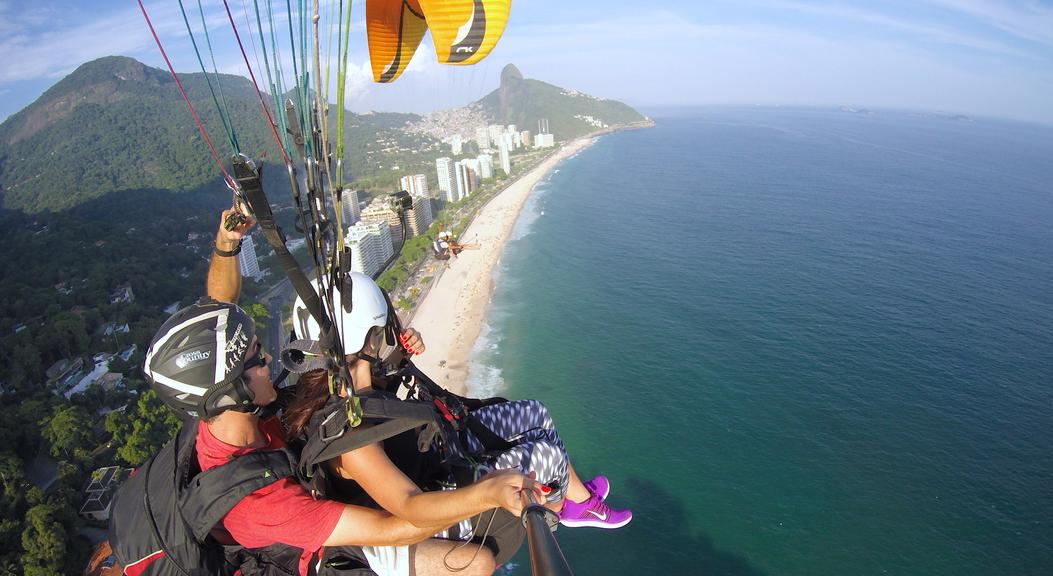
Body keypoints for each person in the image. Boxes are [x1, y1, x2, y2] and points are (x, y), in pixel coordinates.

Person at [140, 208, 542, 576]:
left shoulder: (230, 417)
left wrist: (227, 244)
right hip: (311, 549)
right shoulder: (262, 505)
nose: (267, 359)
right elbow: (395, 526)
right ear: (231, 394)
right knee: (477, 562)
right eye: (255, 361)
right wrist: (484, 494)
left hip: (303, 481)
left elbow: (218, 309)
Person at [282, 272, 633, 575]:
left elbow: (389, 389)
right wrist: (484, 493)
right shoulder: (348, 432)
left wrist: (402, 351)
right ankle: (556, 508)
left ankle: (578, 501)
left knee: (535, 414)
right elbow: (410, 507)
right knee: (546, 457)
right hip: (431, 499)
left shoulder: (362, 381)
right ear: (370, 338)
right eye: (383, 329)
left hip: (436, 450)